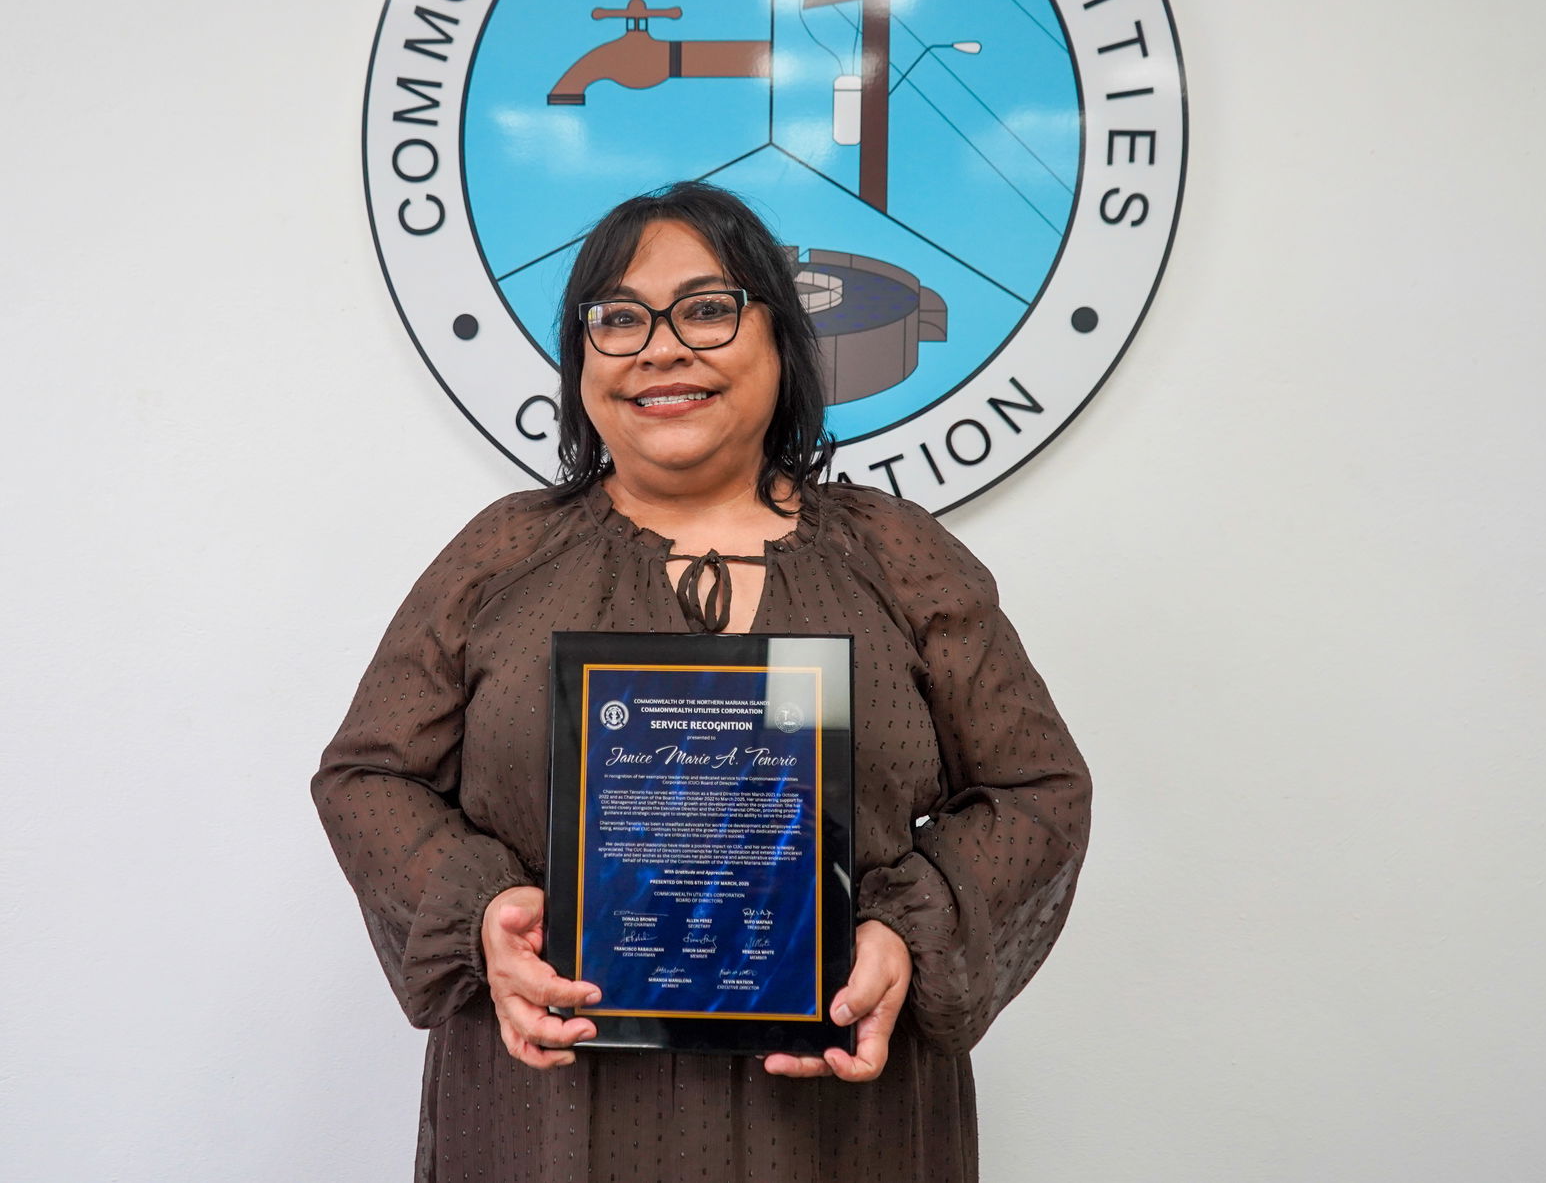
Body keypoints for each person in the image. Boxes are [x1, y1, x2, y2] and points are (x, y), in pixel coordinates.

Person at [312, 182, 1091, 1183]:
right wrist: (481, 912)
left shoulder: (899, 555)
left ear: (780, 340)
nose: (660, 346)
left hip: (838, 1127)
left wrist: (907, 932)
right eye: (618, 317)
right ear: (581, 357)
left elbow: (1038, 791)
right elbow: (366, 775)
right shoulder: (500, 552)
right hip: (553, 1117)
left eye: (707, 307)